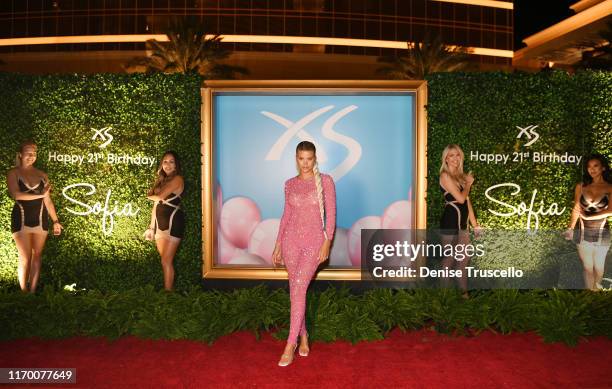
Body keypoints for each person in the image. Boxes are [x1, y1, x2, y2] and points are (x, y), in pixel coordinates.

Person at [272, 141, 336, 367]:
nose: (305, 163)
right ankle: (304, 336)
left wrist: (327, 241)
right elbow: (285, 215)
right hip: (291, 241)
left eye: (309, 158)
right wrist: (278, 243)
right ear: (296, 158)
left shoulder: (325, 181)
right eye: (301, 158)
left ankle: (290, 344)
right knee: (296, 289)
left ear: (315, 158)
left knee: (298, 285)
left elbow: (332, 214)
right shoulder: (289, 184)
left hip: (314, 243)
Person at [6, 141, 62, 292]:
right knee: (25, 256)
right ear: (20, 154)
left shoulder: (42, 175)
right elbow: (16, 195)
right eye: (28, 153)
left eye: (34, 154)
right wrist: (41, 195)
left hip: (41, 219)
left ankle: (32, 293)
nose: (31, 156)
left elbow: (48, 201)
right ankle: (23, 293)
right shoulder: (13, 173)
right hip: (21, 219)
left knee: (37, 255)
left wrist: (55, 221)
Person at [439, 144, 481, 298]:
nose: (455, 158)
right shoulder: (445, 175)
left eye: (457, 155)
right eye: (451, 155)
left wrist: (475, 226)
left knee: (463, 261)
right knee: (449, 260)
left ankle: (464, 297)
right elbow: (460, 199)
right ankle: (443, 298)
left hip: (462, 223)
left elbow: (467, 202)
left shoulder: (461, 176)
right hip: (450, 221)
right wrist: (469, 184)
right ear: (446, 159)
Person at [565, 154, 612, 290]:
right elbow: (576, 208)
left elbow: (610, 211)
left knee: (598, 266)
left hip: (602, 233)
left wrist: (588, 217)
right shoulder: (581, 186)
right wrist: (570, 228)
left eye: (595, 166)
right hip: (582, 231)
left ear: (603, 168)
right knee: (587, 267)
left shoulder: (610, 188)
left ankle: (596, 293)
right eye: (589, 167)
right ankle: (589, 295)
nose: (592, 169)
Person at [144, 151, 185, 291]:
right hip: (159, 223)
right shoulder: (161, 181)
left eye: (171, 162)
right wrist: (151, 227)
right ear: (162, 164)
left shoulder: (178, 179)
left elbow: (159, 197)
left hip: (174, 221)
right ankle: (169, 292)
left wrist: (150, 196)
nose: (167, 165)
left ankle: (168, 296)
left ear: (176, 165)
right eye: (165, 161)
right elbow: (156, 205)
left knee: (166, 260)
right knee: (165, 261)